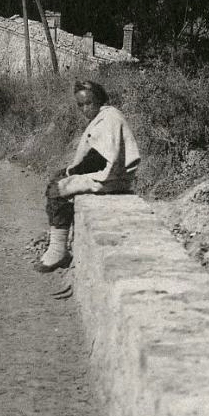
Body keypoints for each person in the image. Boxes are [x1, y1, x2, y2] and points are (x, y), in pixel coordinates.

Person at [34, 80, 140, 272]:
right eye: (80, 105)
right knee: (59, 178)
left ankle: (58, 250)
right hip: (109, 174)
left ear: (99, 99)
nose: (85, 109)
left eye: (88, 103)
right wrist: (71, 171)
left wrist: (73, 172)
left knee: (57, 188)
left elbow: (104, 156)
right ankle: (59, 243)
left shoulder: (109, 119)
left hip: (111, 179)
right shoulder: (105, 116)